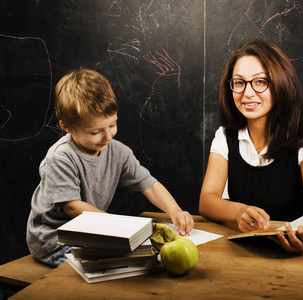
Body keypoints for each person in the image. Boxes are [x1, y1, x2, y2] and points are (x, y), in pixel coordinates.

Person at [26, 69, 194, 267]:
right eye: (96, 131)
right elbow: (72, 207)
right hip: (56, 239)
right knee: (123, 263)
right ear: (67, 127)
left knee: (143, 257)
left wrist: (174, 211)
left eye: (112, 124)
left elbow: (148, 184)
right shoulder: (60, 158)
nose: (108, 136)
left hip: (91, 232)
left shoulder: (118, 152)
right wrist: (119, 226)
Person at [199, 39, 303, 253]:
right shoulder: (225, 136)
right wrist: (238, 212)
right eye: (239, 82)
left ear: (280, 84)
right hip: (241, 253)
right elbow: (206, 200)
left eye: (260, 81)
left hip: (297, 259)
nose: (248, 93)